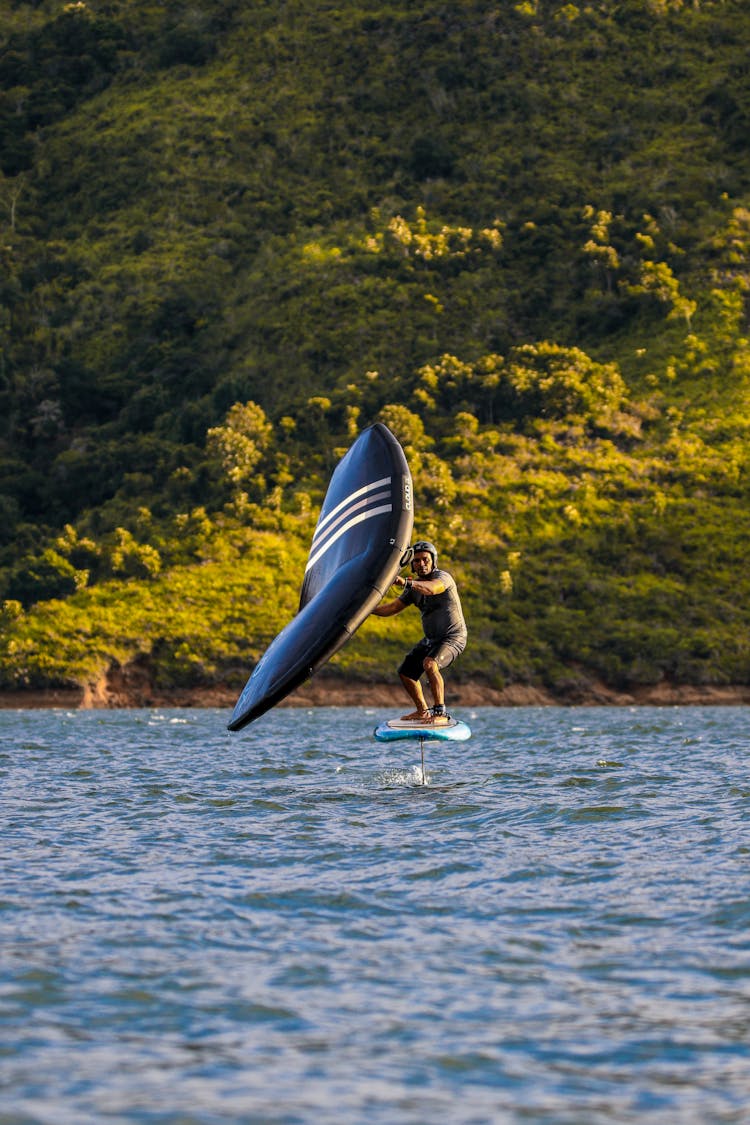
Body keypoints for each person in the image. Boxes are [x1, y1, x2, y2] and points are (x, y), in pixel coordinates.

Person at [371, 540, 467, 723]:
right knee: (406, 672)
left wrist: (406, 583)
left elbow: (432, 589)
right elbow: (391, 609)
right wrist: (366, 609)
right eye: (416, 561)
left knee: (430, 664)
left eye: (425, 560)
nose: (421, 564)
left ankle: (440, 714)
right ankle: (422, 711)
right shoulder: (413, 589)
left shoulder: (443, 578)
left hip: (453, 637)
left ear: (433, 561)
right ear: (412, 565)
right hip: (431, 639)